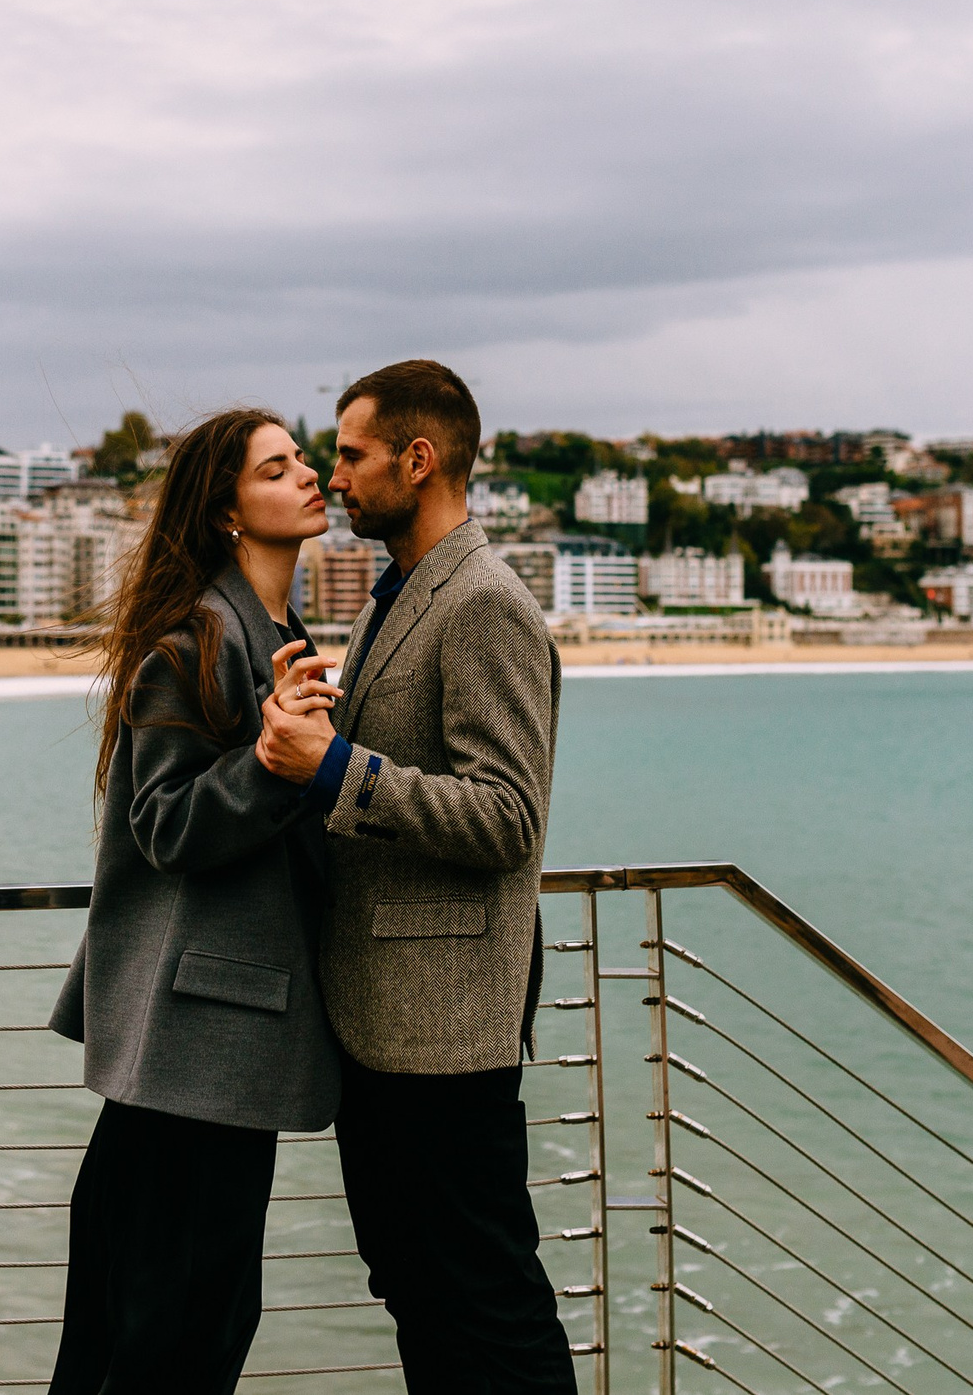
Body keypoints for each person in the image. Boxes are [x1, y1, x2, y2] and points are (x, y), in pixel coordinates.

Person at [256, 359, 574, 1392]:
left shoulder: (482, 602)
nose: (335, 477)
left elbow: (507, 816)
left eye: (350, 454)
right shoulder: (401, 591)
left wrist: (335, 767)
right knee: (421, 1292)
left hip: (443, 1036)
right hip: (383, 1027)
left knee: (488, 1302)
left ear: (417, 457)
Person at [47, 407, 348, 1395]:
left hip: (213, 1041)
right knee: (174, 1332)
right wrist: (269, 762)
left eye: (303, 458)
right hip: (195, 1044)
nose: (307, 475)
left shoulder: (274, 636)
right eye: (277, 468)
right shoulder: (191, 646)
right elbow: (166, 826)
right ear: (226, 512)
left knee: (173, 1323)